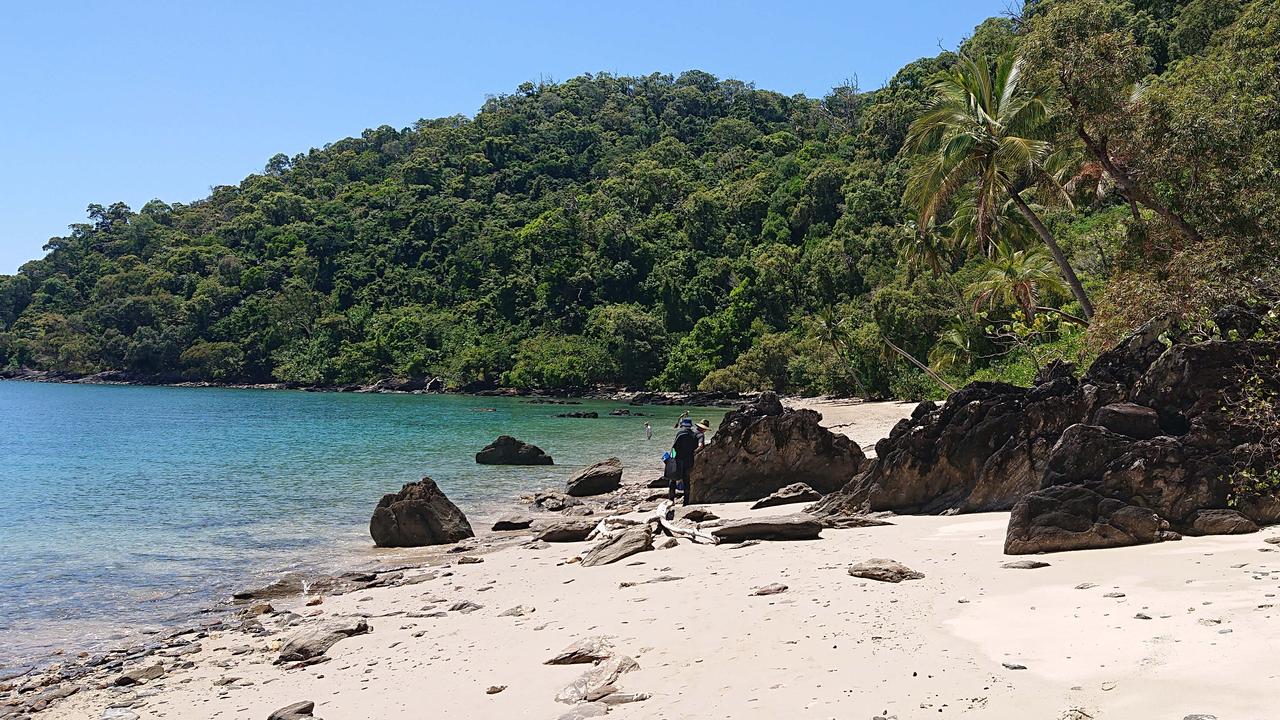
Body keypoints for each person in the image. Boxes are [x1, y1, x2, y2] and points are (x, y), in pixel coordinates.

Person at [669, 417, 700, 506]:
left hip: (678, 460)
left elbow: (674, 448)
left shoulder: (680, 433)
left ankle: (671, 500)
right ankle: (686, 502)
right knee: (686, 481)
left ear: (683, 425)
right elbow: (695, 448)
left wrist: (671, 458)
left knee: (673, 480)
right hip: (689, 460)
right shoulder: (694, 435)